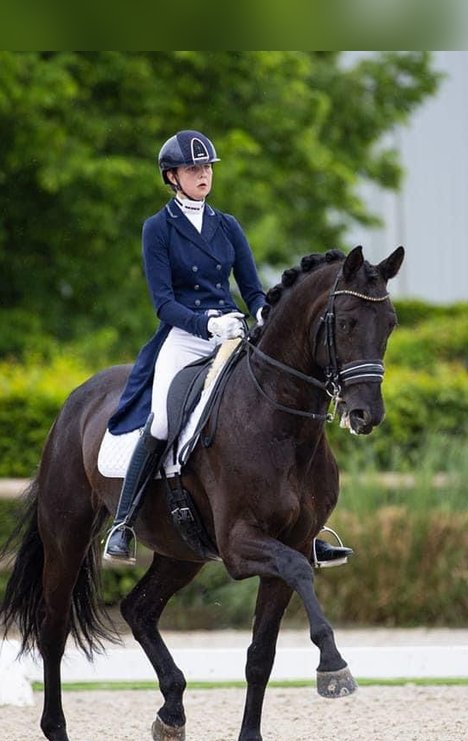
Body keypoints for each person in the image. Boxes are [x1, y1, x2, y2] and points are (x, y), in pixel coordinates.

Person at [103, 129, 352, 569]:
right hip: (184, 336)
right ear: (171, 176)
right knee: (162, 419)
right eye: (193, 169)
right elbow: (163, 303)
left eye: (206, 168)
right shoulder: (157, 229)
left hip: (233, 332)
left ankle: (306, 531)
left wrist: (260, 315)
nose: (203, 175)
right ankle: (123, 524)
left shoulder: (227, 225)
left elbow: (254, 290)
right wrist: (206, 322)